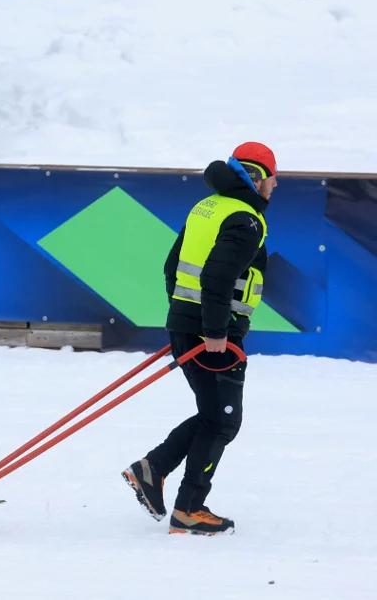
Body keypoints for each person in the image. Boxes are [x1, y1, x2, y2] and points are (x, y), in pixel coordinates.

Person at [123, 141, 278, 536]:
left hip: (189, 324)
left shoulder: (207, 206)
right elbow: (216, 277)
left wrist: (183, 316)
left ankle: (153, 470)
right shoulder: (246, 219)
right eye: (272, 178)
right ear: (257, 178)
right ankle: (188, 508)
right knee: (223, 420)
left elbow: (171, 267)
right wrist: (213, 331)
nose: (275, 186)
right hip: (213, 333)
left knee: (215, 416)